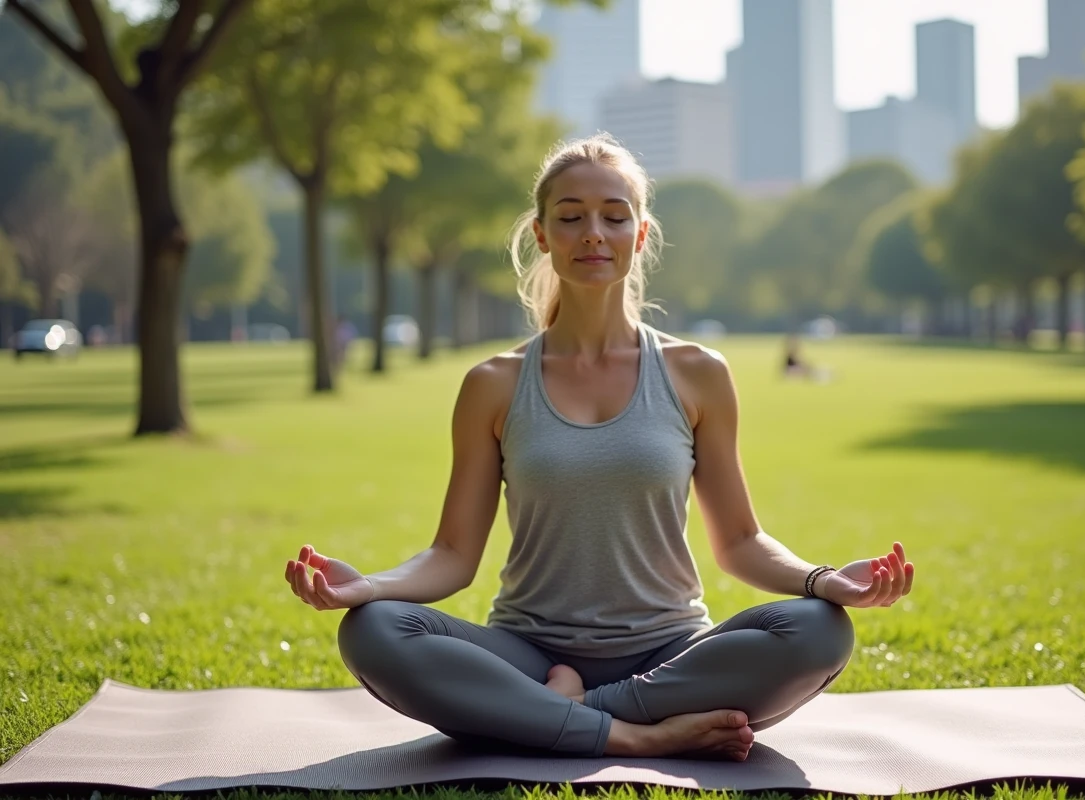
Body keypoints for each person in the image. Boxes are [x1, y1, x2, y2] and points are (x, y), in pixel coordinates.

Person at [284, 134, 915, 762]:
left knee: (818, 629)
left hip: (668, 652)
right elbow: (452, 555)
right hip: (530, 653)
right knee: (374, 630)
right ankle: (639, 733)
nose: (593, 233)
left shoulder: (698, 373)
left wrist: (822, 580)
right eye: (571, 217)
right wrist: (370, 587)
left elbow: (741, 542)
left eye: (614, 216)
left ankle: (559, 714)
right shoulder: (492, 385)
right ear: (542, 235)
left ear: (640, 235)